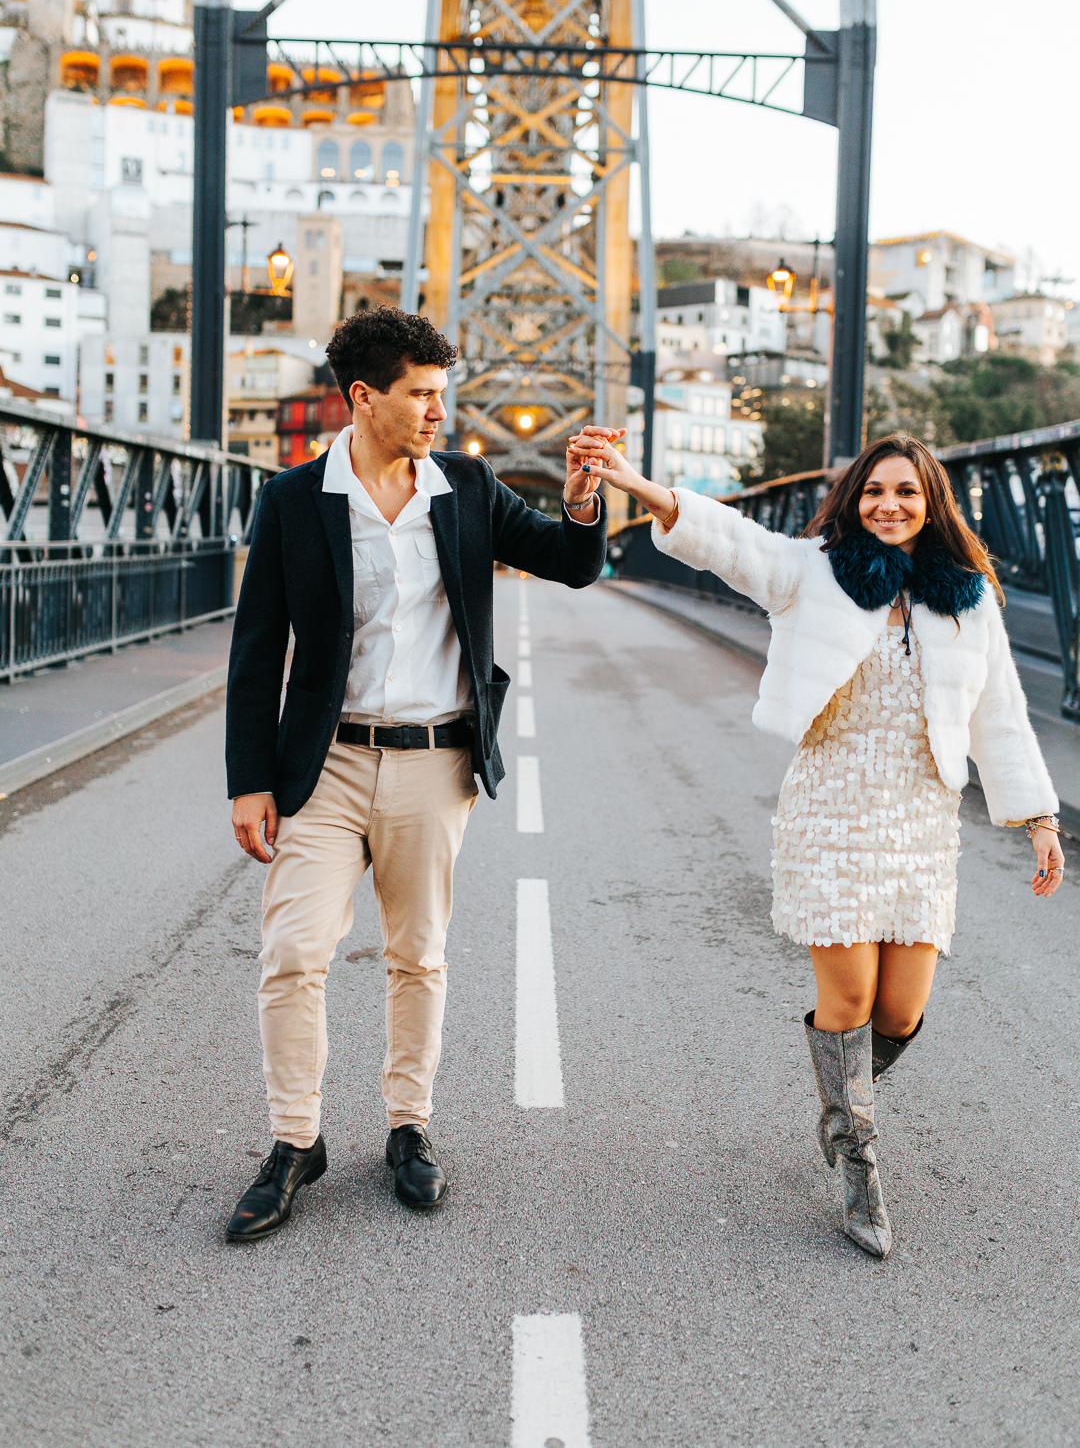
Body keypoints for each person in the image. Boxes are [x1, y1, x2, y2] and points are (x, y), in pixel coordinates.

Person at [574, 429, 1063, 1258]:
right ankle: (857, 1161)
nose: (889, 505)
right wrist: (636, 484)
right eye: (874, 491)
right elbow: (732, 540)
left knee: (902, 1011)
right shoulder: (813, 572)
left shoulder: (968, 596)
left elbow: (1001, 713)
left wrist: (1039, 817)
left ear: (932, 501)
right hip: (831, 811)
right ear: (852, 499)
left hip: (919, 818)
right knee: (847, 1003)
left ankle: (842, 1105)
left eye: (907, 492)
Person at [224, 307, 611, 1242]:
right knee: (292, 952)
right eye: (423, 394)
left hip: (434, 761)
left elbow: (569, 563)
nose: (441, 410)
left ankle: (407, 1127)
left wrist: (585, 500)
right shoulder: (292, 502)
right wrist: (250, 779)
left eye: (444, 393)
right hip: (324, 764)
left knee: (418, 953)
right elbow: (255, 649)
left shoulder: (468, 489)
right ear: (364, 398)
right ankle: (293, 1143)